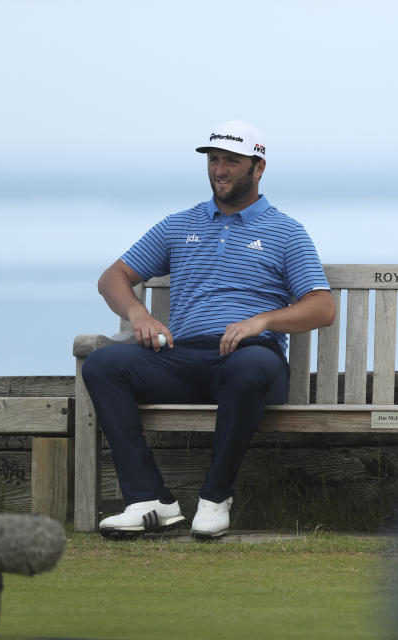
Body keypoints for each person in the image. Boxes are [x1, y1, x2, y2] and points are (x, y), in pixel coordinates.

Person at [83, 120, 335, 539]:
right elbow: (113, 277)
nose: (219, 169)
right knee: (104, 364)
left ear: (258, 167)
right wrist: (138, 315)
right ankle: (150, 501)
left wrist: (262, 321)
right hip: (183, 358)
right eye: (214, 159)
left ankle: (215, 499)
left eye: (231, 161)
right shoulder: (179, 225)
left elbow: (321, 307)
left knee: (249, 365)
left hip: (251, 362)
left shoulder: (286, 231)